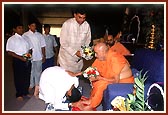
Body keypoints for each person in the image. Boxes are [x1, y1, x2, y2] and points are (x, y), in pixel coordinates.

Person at [71, 42, 134, 111]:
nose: (95, 55)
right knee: (97, 82)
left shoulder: (115, 59)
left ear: (103, 52)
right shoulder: (102, 58)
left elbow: (116, 81)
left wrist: (99, 78)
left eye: (97, 53)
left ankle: (92, 104)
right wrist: (77, 74)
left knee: (101, 83)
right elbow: (91, 70)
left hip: (124, 82)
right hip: (113, 80)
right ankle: (91, 101)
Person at [58, 8, 91, 73]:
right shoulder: (67, 24)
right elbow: (63, 42)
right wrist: (75, 52)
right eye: (80, 17)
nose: (82, 20)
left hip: (79, 61)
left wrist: (86, 52)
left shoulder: (86, 25)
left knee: (76, 78)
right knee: (66, 78)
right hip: (66, 60)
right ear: (75, 15)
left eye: (84, 18)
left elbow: (88, 41)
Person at [6, 23, 32, 101]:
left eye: (22, 28)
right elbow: (9, 52)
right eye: (19, 28)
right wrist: (20, 58)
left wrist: (27, 56)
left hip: (26, 59)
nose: (21, 29)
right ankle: (19, 94)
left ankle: (25, 92)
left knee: (27, 76)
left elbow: (30, 48)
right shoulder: (12, 39)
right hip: (18, 60)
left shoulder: (26, 38)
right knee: (18, 77)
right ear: (15, 29)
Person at [22, 21, 46, 97]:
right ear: (29, 26)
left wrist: (44, 55)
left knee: (38, 71)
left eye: (35, 26)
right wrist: (25, 57)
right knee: (31, 71)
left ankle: (37, 85)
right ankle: (31, 85)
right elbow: (24, 47)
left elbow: (43, 46)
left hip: (38, 55)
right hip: (30, 56)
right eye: (32, 25)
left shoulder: (39, 35)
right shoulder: (25, 35)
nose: (33, 27)